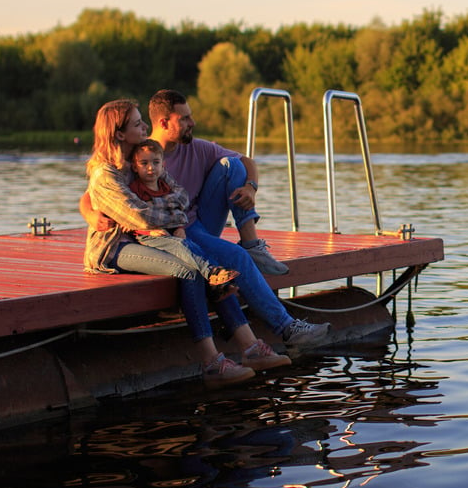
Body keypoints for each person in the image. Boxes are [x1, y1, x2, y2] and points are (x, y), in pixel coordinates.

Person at [81, 91, 329, 349]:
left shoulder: (189, 148)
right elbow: (97, 195)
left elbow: (241, 163)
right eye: (185, 118)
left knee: (232, 166)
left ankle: (251, 244)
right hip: (160, 235)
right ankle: (284, 329)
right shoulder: (140, 156)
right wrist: (90, 214)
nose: (193, 123)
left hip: (189, 223)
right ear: (164, 123)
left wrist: (251, 187)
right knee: (230, 259)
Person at [127, 138, 239, 300]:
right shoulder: (136, 189)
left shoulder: (165, 185)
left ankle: (217, 282)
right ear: (134, 167)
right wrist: (151, 227)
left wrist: (179, 226)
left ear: (163, 164)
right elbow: (135, 215)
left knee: (190, 244)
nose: (151, 168)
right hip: (148, 235)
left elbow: (181, 200)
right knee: (180, 246)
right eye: (144, 163)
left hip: (171, 230)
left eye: (155, 162)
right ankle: (212, 272)